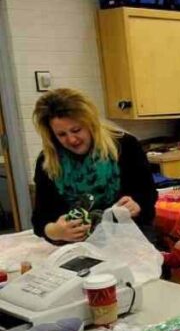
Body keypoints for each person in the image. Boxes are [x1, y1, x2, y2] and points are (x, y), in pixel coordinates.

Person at [31, 88, 156, 242]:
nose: (72, 140)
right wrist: (56, 232)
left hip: (129, 237)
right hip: (77, 244)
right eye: (61, 135)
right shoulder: (47, 162)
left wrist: (137, 206)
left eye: (76, 130)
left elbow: (148, 195)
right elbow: (40, 220)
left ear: (91, 124)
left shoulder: (125, 146)